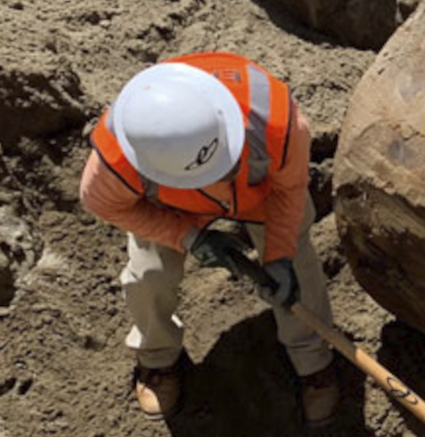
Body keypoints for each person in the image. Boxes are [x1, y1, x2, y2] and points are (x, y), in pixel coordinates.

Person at [79, 53, 339, 423]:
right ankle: (157, 359)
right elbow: (109, 207)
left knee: (296, 264)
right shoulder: (118, 158)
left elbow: (289, 191)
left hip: (259, 191)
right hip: (169, 205)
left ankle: (313, 359)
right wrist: (188, 237)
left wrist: (278, 254)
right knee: (150, 274)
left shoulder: (278, 124)